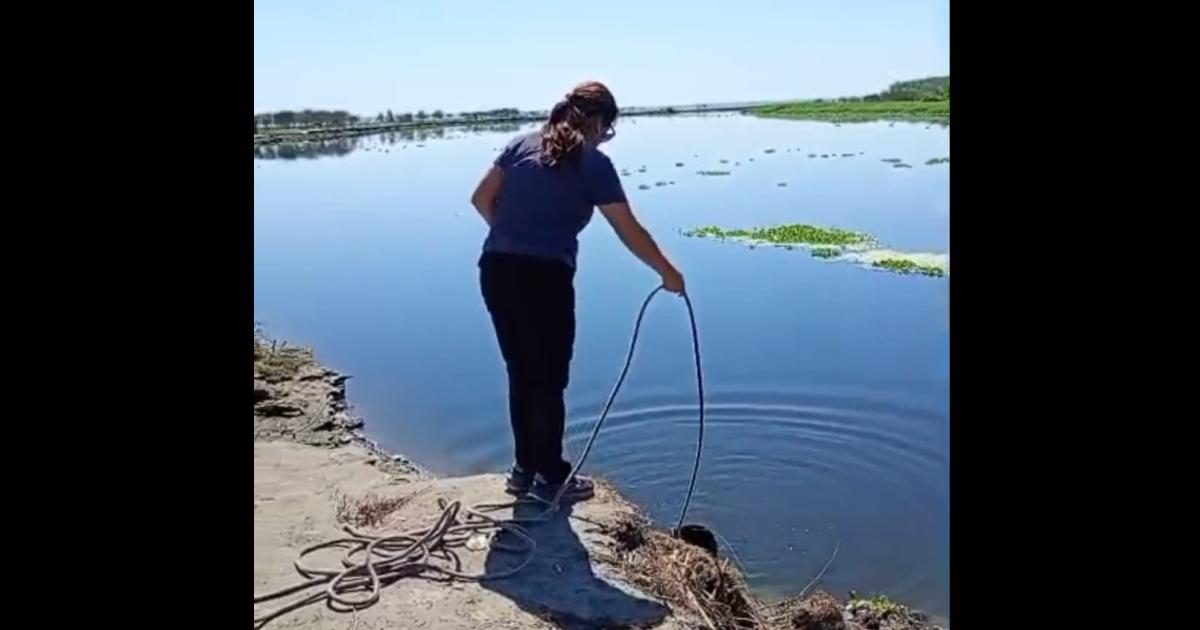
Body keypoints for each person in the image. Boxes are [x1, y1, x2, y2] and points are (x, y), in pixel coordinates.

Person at [470, 80, 685, 502]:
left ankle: (523, 471)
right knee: (549, 377)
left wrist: (516, 234)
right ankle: (551, 477)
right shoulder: (593, 163)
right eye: (608, 130)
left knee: (523, 371)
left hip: (497, 268)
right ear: (599, 122)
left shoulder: (519, 145)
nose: (606, 138)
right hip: (545, 277)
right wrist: (668, 272)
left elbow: (481, 199)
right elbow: (628, 229)